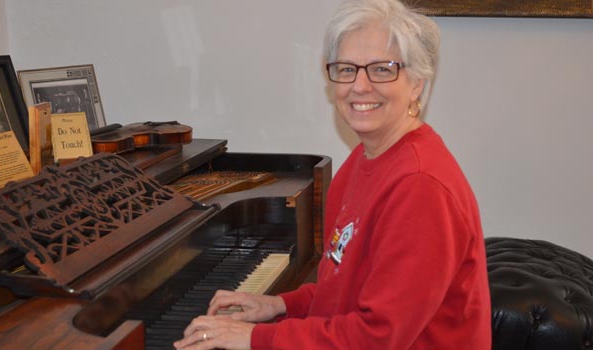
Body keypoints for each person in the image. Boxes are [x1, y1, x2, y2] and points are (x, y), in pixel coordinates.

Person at [174, 0, 491, 349]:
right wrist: (280, 305)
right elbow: (344, 289)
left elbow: (377, 336)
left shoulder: (419, 187)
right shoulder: (364, 158)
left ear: (416, 83)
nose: (360, 85)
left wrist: (256, 338)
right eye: (346, 68)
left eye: (382, 69)